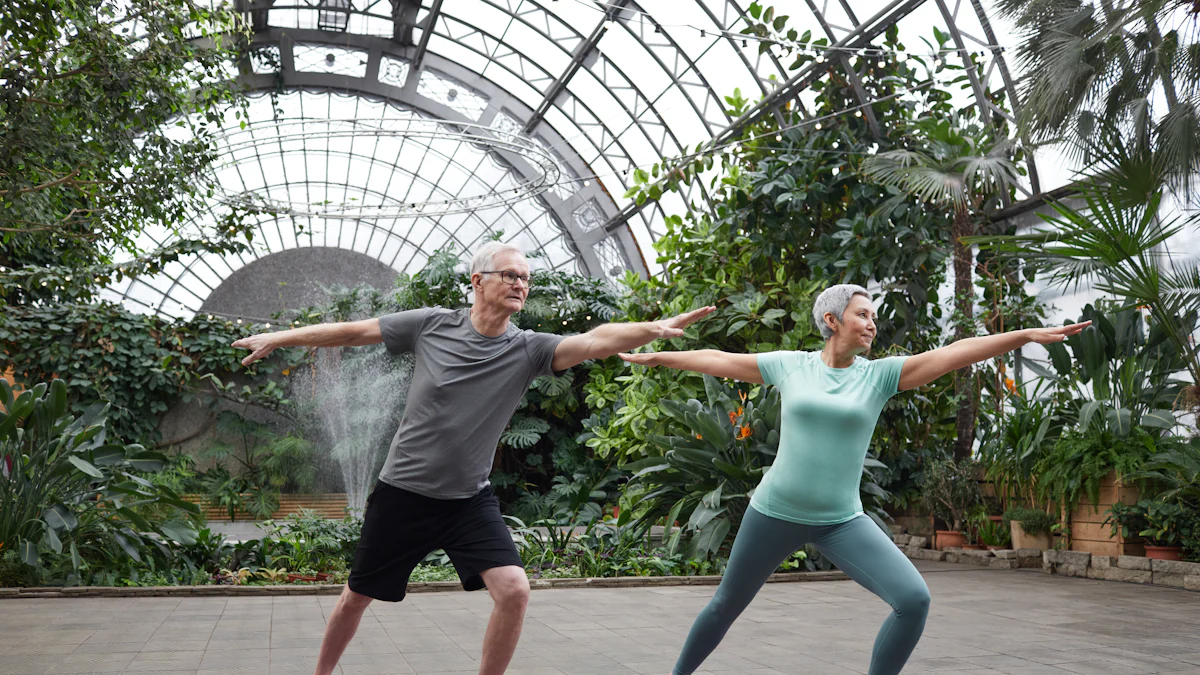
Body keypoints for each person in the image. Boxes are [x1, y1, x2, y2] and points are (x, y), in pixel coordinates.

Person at [232, 241, 714, 675]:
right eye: (510, 275)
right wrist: (281, 337)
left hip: (468, 500)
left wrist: (651, 329)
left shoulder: (528, 350)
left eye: (525, 278)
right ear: (477, 281)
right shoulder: (431, 325)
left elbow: (594, 340)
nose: (520, 284)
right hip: (403, 494)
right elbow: (353, 332)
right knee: (356, 597)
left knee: (515, 590)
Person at [618, 283, 1089, 675]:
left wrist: (1022, 334)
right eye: (862, 314)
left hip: (840, 521)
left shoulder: (879, 376)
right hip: (773, 512)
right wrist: (660, 359)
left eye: (874, 317)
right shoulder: (791, 365)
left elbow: (955, 353)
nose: (872, 324)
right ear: (831, 320)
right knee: (725, 605)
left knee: (913, 599)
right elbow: (718, 359)